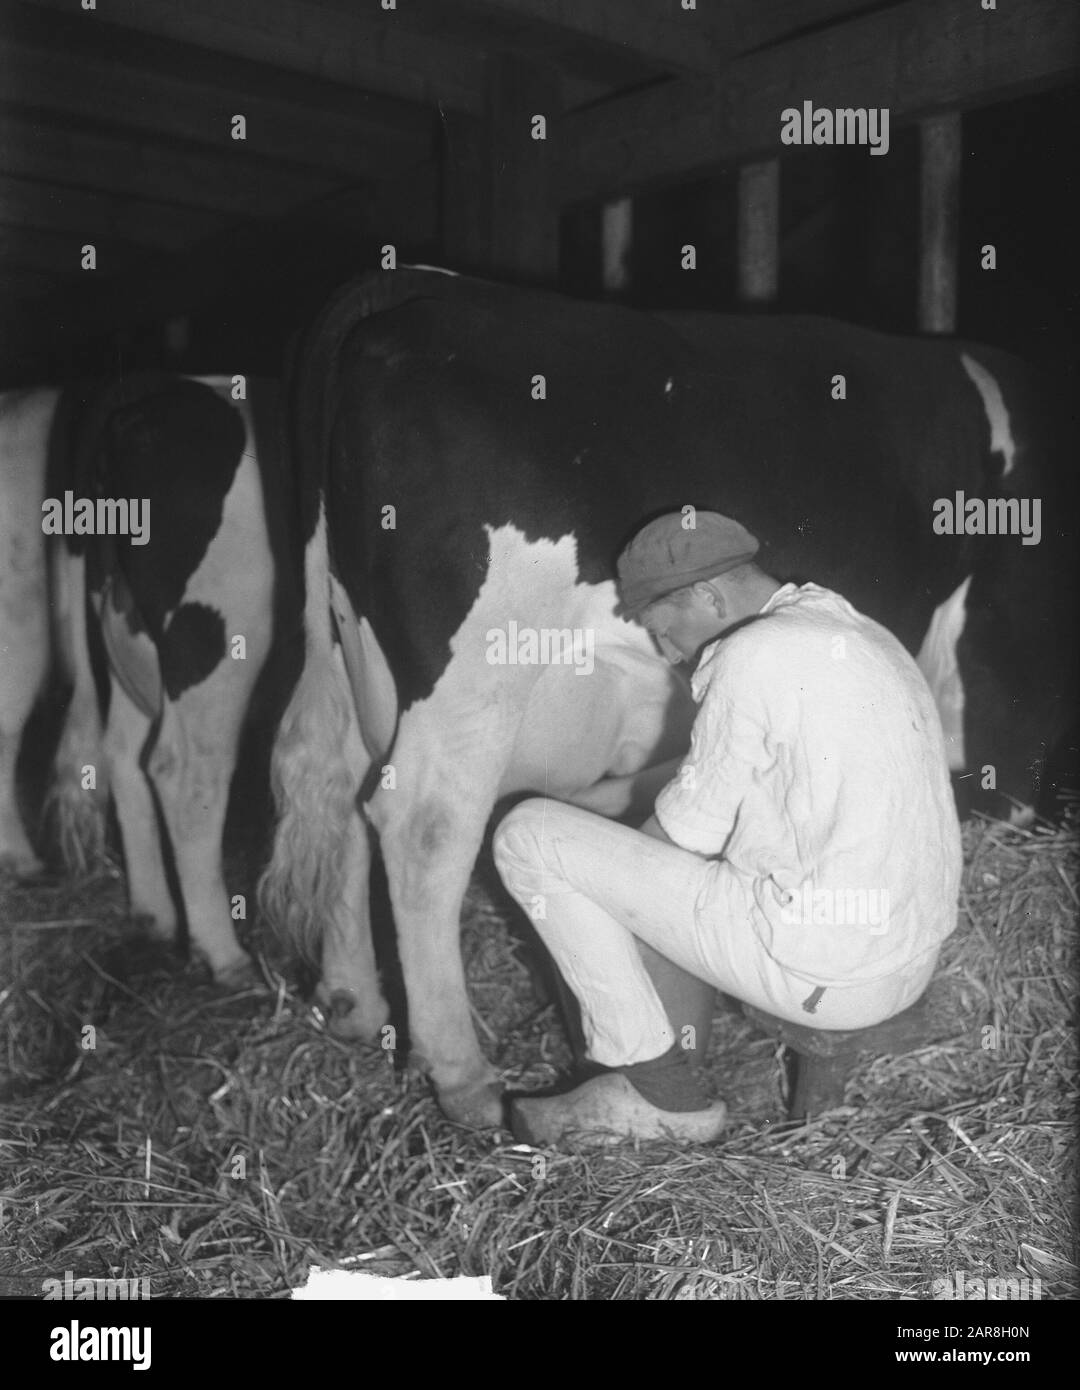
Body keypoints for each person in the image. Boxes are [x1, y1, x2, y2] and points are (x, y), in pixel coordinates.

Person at [493, 511, 961, 1146]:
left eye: (663, 631)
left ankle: (660, 1097)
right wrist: (605, 820)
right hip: (905, 958)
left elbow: (683, 834)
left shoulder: (747, 655)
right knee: (596, 849)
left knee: (526, 836)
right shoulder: (854, 630)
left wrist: (597, 869)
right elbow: (729, 781)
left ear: (708, 596)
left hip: (825, 975)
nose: (668, 653)